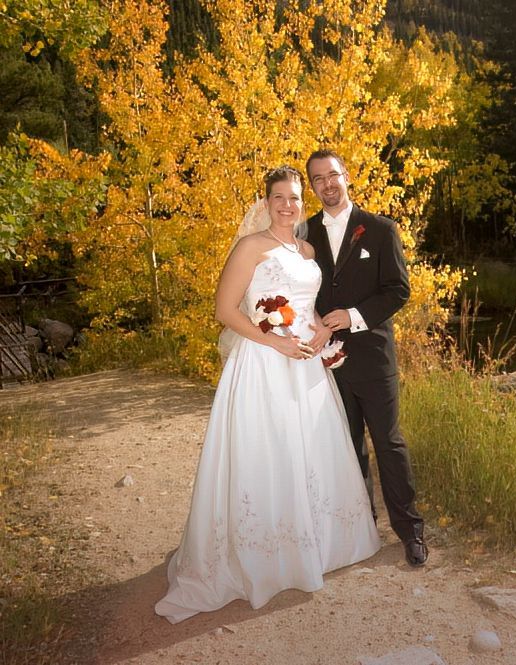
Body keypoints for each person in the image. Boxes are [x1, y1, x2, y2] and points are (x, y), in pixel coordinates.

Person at [154, 166, 380, 624]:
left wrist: (320, 333)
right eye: (279, 197)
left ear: (303, 202)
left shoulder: (308, 248)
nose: (287, 205)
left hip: (305, 364)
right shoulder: (250, 247)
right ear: (266, 202)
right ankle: (264, 557)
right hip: (262, 362)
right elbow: (223, 310)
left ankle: (317, 546)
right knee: (269, 452)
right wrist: (275, 341)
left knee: (310, 450)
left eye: (295, 197)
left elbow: (306, 303)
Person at [303, 149, 427, 567]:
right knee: (346, 445)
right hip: (326, 361)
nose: (327, 184)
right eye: (318, 179)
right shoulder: (304, 235)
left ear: (347, 176)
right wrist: (316, 327)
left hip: (373, 356)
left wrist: (352, 317)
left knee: (388, 443)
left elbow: (398, 290)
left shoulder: (380, 229)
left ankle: (410, 530)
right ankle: (360, 528)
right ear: (312, 186)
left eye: (333, 175)